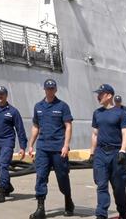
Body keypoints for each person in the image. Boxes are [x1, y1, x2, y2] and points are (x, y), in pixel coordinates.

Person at [27, 78, 74, 219]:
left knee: (62, 177)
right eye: (48, 88)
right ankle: (40, 209)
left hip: (59, 149)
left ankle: (68, 200)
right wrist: (30, 145)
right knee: (41, 176)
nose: (50, 91)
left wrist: (66, 145)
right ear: (44, 89)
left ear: (56, 89)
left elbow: (68, 126)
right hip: (42, 148)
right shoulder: (38, 106)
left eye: (52, 88)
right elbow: (36, 126)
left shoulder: (62, 106)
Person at [89, 84, 126, 219]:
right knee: (101, 185)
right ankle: (101, 215)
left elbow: (125, 133)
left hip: (115, 153)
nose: (98, 96)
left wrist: (123, 151)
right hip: (100, 153)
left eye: (100, 94)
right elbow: (95, 134)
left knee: (118, 187)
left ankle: (122, 212)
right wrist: (92, 153)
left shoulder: (121, 113)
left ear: (109, 95)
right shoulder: (97, 113)